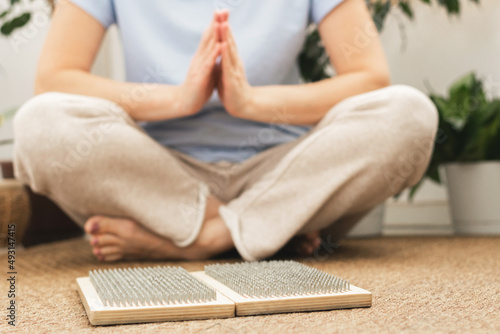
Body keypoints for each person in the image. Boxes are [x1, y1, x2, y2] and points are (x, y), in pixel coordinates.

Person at [13, 0, 438, 262]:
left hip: (284, 179)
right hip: (157, 180)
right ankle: (262, 233)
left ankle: (204, 238)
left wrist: (251, 103)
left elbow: (370, 78)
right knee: (40, 125)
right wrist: (178, 99)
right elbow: (55, 79)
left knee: (410, 115)